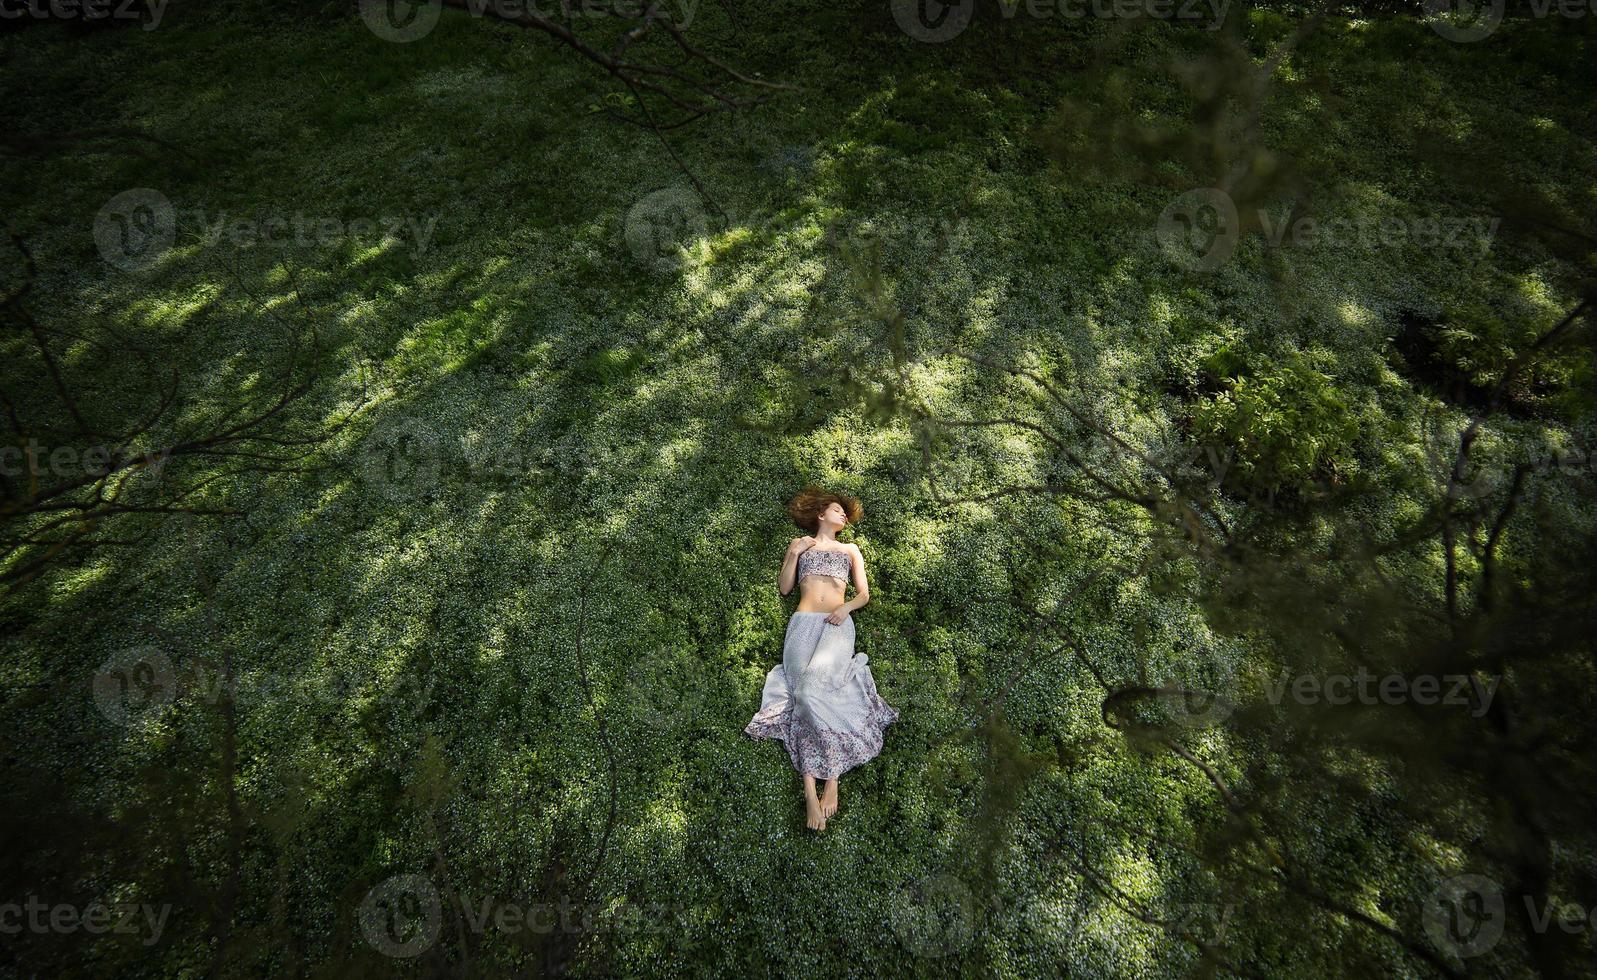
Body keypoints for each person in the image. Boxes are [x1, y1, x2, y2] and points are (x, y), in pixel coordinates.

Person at [745, 486, 899, 831]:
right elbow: (785, 588)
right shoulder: (801, 544)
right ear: (820, 515)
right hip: (802, 624)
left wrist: (846, 607)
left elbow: (864, 593)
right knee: (802, 695)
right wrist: (792, 554)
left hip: (837, 623)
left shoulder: (850, 549)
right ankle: (818, 787)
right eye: (836, 510)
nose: (842, 515)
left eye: (844, 513)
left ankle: (826, 782)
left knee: (814, 693)